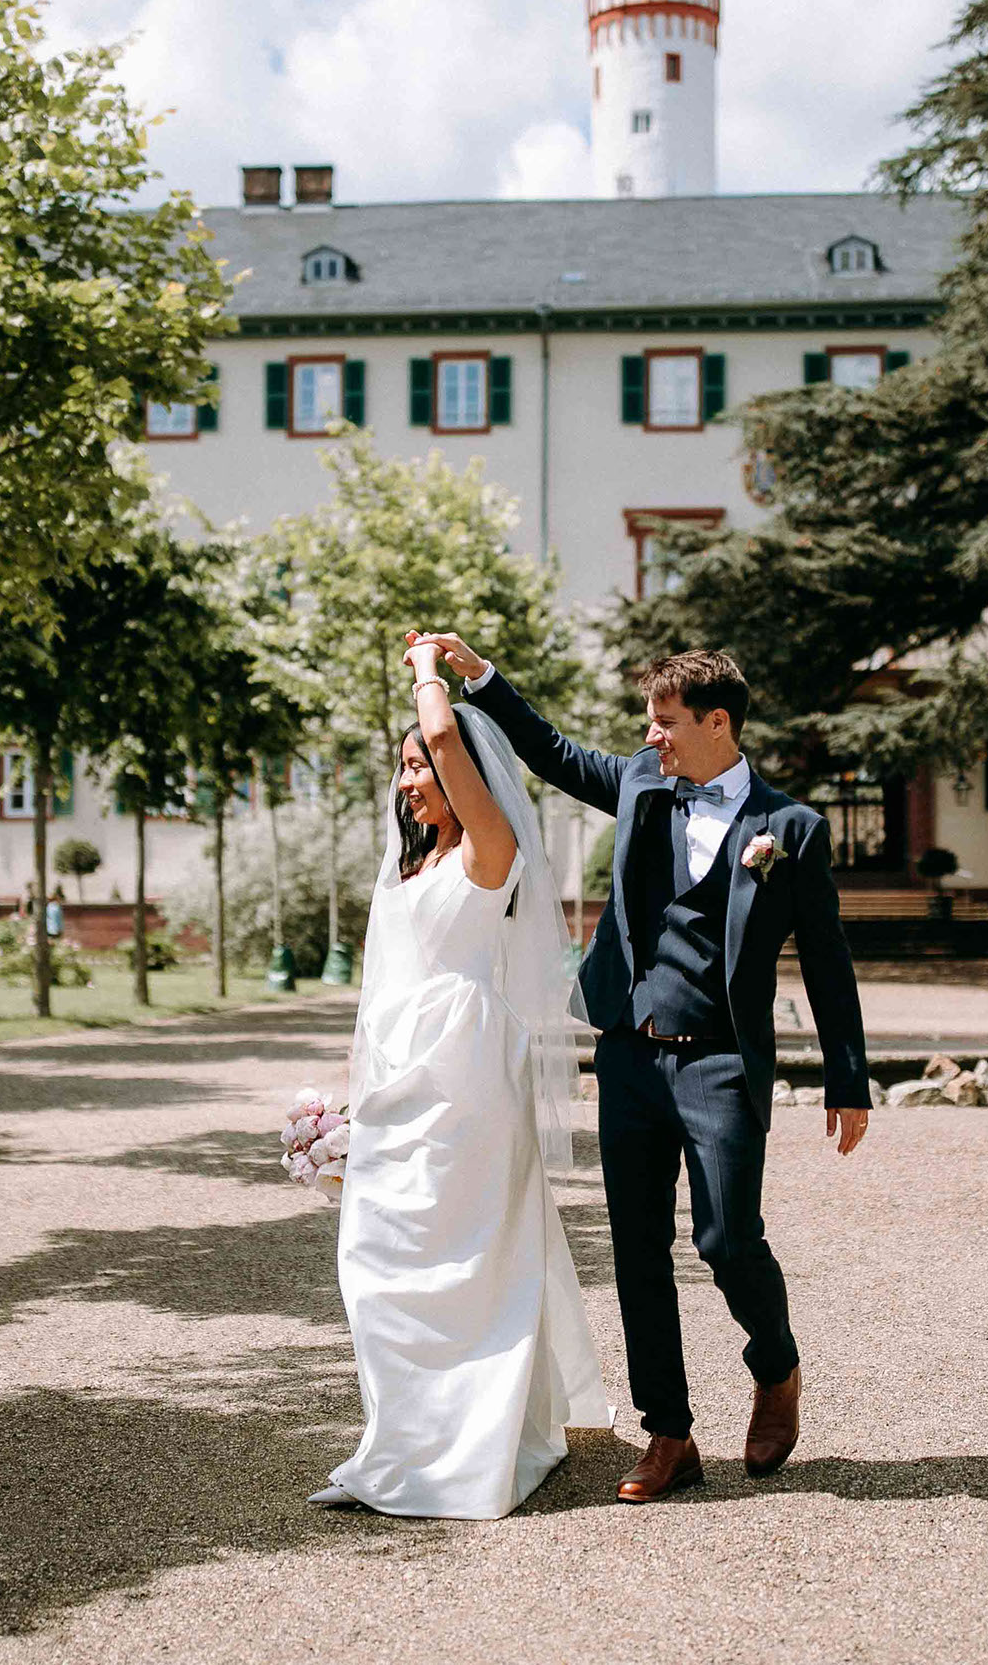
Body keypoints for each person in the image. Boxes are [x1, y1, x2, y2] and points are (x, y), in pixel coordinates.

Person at [407, 633, 868, 1504]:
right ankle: (670, 1435)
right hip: (628, 1053)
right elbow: (548, 752)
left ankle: (776, 1367)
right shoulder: (642, 784)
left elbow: (829, 961)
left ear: (718, 722)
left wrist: (848, 1078)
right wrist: (478, 676)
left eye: (664, 722)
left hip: (724, 1060)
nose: (649, 735)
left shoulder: (791, 828)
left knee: (728, 1238)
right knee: (637, 1252)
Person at [309, 636, 612, 1519]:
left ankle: (466, 1453)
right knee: (373, 1265)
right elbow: (378, 987)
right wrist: (345, 1106)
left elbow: (449, 740)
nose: (410, 781)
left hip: (467, 1077)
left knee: (463, 1266)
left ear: (467, 778)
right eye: (401, 769)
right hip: (397, 1080)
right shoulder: (408, 863)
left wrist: (429, 670)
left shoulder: (493, 849)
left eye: (421, 766)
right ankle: (393, 1446)